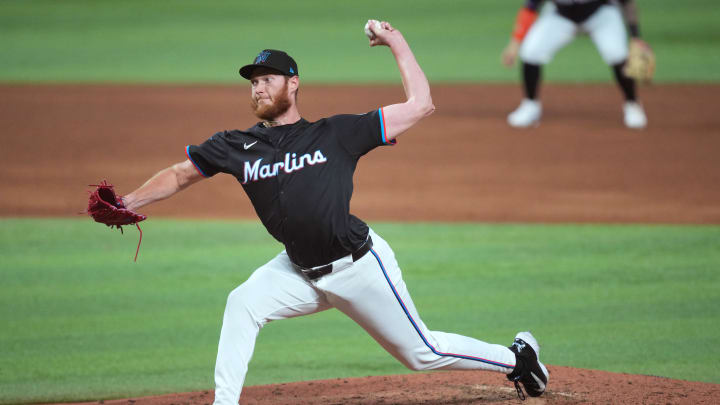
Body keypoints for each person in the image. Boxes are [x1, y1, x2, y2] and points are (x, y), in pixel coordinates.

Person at [120, 21, 548, 404]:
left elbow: (421, 105)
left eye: (267, 79)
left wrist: (395, 41)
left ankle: (517, 359)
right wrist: (128, 204)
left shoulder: (336, 133)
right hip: (297, 269)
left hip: (357, 266)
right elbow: (180, 175)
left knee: (424, 353)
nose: (258, 88)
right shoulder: (237, 145)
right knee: (242, 303)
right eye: (253, 82)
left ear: (293, 84)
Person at [501, 0, 649, 129]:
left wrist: (636, 37)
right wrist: (515, 44)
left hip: (601, 14)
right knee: (531, 52)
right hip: (560, 16)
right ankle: (530, 105)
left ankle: (633, 105)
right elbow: (530, 7)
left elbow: (628, 3)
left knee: (617, 54)